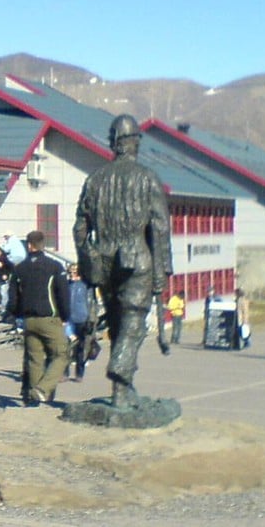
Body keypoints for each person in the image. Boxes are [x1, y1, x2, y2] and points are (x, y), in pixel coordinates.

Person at [73, 114, 173, 408]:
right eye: (137, 139)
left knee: (118, 323)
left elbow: (80, 226)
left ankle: (121, 392)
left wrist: (88, 258)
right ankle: (119, 366)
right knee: (132, 322)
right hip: (136, 259)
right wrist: (162, 269)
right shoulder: (147, 177)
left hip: (104, 260)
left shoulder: (95, 180)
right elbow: (159, 228)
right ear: (130, 142)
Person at [8, 230, 70, 407]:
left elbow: (13, 297)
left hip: (28, 319)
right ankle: (42, 390)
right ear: (43, 245)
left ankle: (34, 400)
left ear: (29, 246)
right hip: (49, 317)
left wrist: (16, 314)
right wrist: (65, 315)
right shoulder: (54, 266)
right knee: (61, 354)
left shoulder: (19, 269)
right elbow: (63, 294)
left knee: (34, 359)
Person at [65, 263, 97, 382]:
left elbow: (91, 303)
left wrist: (91, 319)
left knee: (80, 348)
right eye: (70, 272)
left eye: (74, 272)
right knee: (65, 347)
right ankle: (64, 373)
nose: (72, 274)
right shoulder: (67, 285)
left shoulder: (86, 285)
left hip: (82, 319)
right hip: (68, 319)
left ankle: (79, 373)